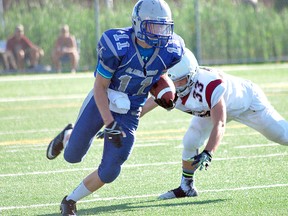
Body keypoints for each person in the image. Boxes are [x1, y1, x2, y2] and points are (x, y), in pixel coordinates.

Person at [46, 0, 184, 215]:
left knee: (110, 170)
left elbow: (157, 72)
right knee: (72, 156)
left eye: (162, 26)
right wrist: (109, 123)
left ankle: (70, 200)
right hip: (106, 98)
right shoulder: (117, 43)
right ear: (138, 24)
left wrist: (165, 93)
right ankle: (67, 135)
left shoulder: (172, 49)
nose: (159, 32)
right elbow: (100, 87)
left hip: (131, 108)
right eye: (153, 26)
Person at [142, 48, 288, 200]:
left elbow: (220, 123)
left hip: (247, 104)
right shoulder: (170, 88)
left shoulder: (210, 85)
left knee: (282, 136)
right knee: (191, 139)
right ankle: (186, 187)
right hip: (207, 110)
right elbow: (144, 108)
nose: (177, 85)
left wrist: (208, 152)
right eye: (173, 81)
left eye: (181, 80)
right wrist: (120, 125)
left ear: (192, 75)